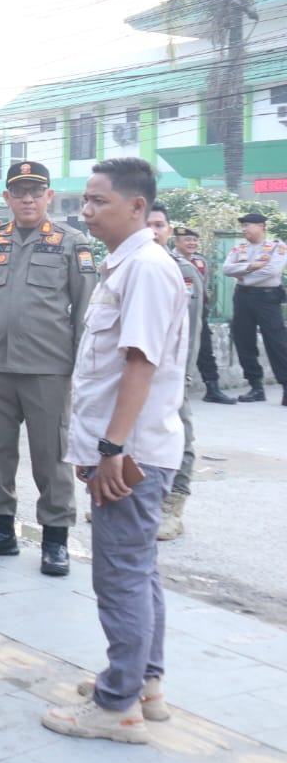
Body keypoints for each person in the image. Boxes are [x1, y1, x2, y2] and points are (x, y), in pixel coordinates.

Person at [42, 158, 187, 745]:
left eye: (99, 201)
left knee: (120, 575)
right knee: (138, 571)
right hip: (128, 448)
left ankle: (117, 705)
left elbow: (140, 363)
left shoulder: (147, 268)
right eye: (85, 200)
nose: (86, 211)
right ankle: (143, 682)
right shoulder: (124, 266)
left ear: (136, 207)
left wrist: (111, 449)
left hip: (130, 453)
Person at [0, 161, 95, 576]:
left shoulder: (72, 242)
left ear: (49, 197)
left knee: (50, 456)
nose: (28, 198)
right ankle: (0, 531)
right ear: (8, 199)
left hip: (48, 368)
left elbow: (87, 308)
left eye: (36, 191)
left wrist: (83, 367)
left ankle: (55, 541)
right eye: (20, 191)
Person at [146, 205, 200, 542]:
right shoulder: (123, 265)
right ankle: (138, 500)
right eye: (147, 224)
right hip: (132, 370)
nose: (153, 231)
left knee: (180, 432)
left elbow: (191, 330)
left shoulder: (183, 271)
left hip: (170, 371)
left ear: (169, 231)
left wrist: (184, 375)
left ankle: (173, 507)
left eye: (159, 225)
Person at [222, 211, 287, 404]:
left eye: (248, 225)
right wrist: (252, 266)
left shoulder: (277, 247)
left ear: (261, 226)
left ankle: (286, 386)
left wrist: (243, 275)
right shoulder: (239, 249)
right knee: (244, 341)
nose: (244, 229)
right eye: (243, 226)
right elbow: (226, 269)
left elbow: (272, 271)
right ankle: (256, 387)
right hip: (242, 298)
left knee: (277, 342)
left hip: (267, 298)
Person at [176, 227, 232, 404]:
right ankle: (175, 390)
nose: (192, 243)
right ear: (177, 242)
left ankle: (212, 388)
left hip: (198, 313)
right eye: (187, 240)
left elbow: (205, 287)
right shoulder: (169, 260)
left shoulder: (200, 262)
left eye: (194, 240)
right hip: (177, 314)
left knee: (205, 350)